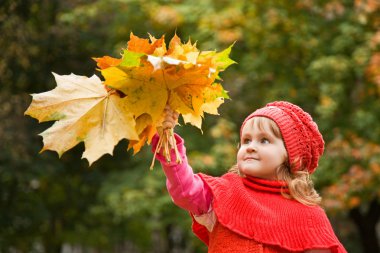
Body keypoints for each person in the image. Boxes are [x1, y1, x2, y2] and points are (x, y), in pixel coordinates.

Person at [151, 101, 347, 253]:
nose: (251, 146)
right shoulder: (223, 193)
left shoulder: (310, 216)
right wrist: (168, 143)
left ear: (291, 155)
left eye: (264, 140)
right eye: (246, 140)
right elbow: (185, 190)